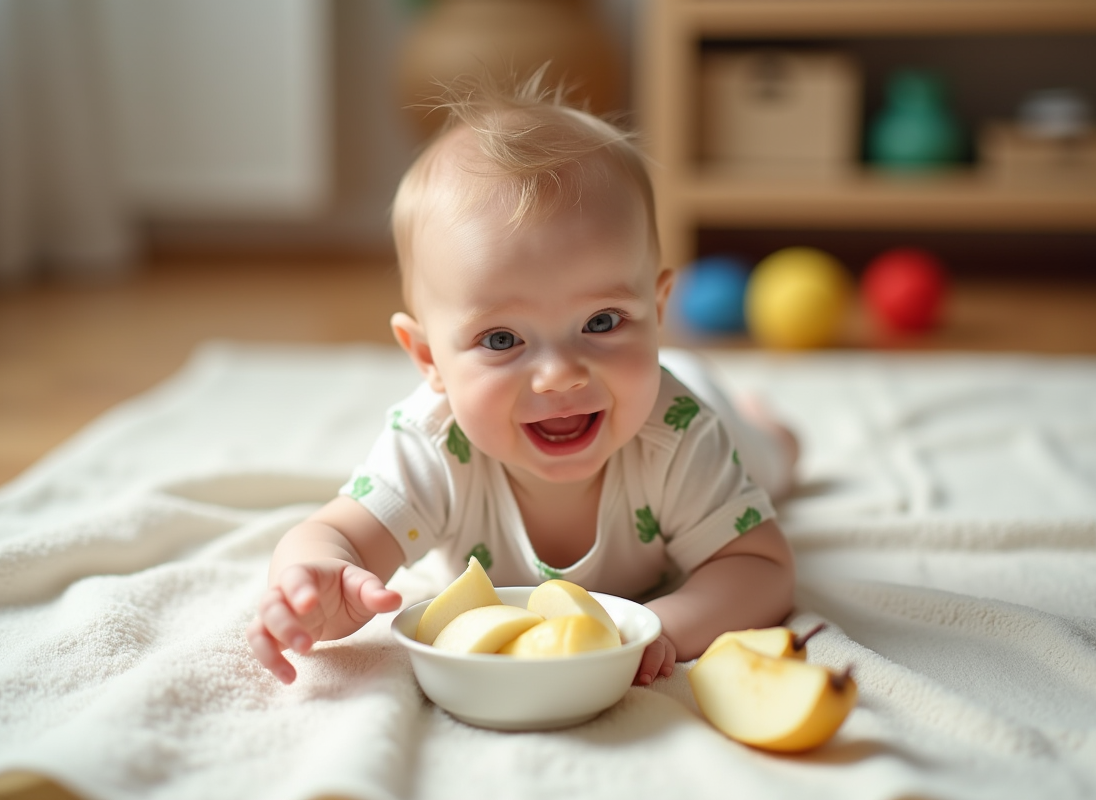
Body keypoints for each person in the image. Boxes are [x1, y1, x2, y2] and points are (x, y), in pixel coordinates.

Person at [247, 72, 798, 687]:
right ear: (428, 358)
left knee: (770, 463)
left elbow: (761, 567)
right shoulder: (434, 446)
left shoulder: (679, 435)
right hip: (636, 389)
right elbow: (334, 534)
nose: (560, 376)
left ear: (658, 309)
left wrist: (662, 626)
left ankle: (769, 427)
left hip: (698, 401)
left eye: (602, 321)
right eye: (502, 339)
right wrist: (313, 581)